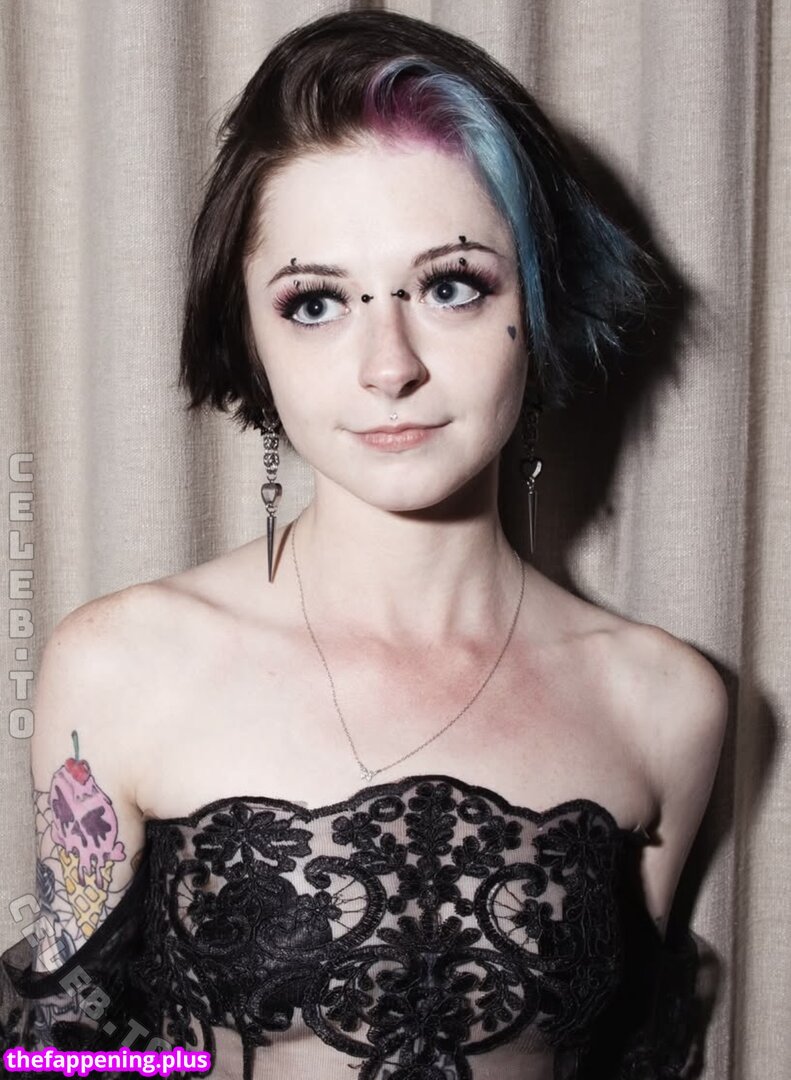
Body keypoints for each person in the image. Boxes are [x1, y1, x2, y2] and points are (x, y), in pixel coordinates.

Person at [1, 9, 727, 1080]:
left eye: (450, 286)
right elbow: (66, 1057)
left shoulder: (665, 706)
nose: (388, 366)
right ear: (247, 333)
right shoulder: (117, 669)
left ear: (537, 302)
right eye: (314, 303)